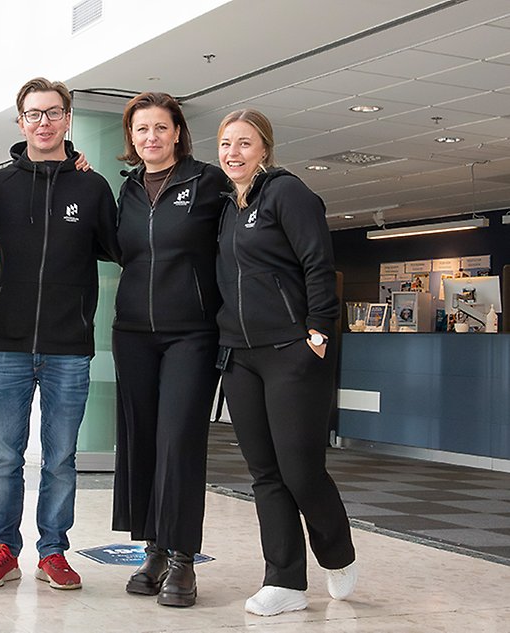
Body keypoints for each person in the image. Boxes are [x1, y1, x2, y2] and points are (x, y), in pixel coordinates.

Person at [0, 77, 118, 591]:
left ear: (67, 118)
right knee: (5, 457)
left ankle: (53, 551)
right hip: (6, 345)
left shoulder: (92, 187)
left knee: (60, 459)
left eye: (53, 113)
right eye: (33, 114)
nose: (44, 122)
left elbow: (125, 248)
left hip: (69, 349)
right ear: (20, 122)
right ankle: (3, 549)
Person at [214, 108, 357, 617]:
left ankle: (337, 553)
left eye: (245, 143)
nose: (233, 153)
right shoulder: (228, 206)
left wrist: (318, 329)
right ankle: (285, 582)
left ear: (265, 149)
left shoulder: (287, 192)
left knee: (300, 469)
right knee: (265, 474)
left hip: (292, 351)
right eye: (226, 144)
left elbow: (318, 261)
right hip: (240, 357)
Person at [110, 92, 226, 608]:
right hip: (133, 332)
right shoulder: (127, 190)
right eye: (141, 130)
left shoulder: (209, 182)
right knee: (142, 441)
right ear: (131, 139)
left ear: (178, 131)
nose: (151, 137)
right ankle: (153, 548)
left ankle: (183, 557)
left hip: (191, 333)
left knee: (178, 441)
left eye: (160, 127)